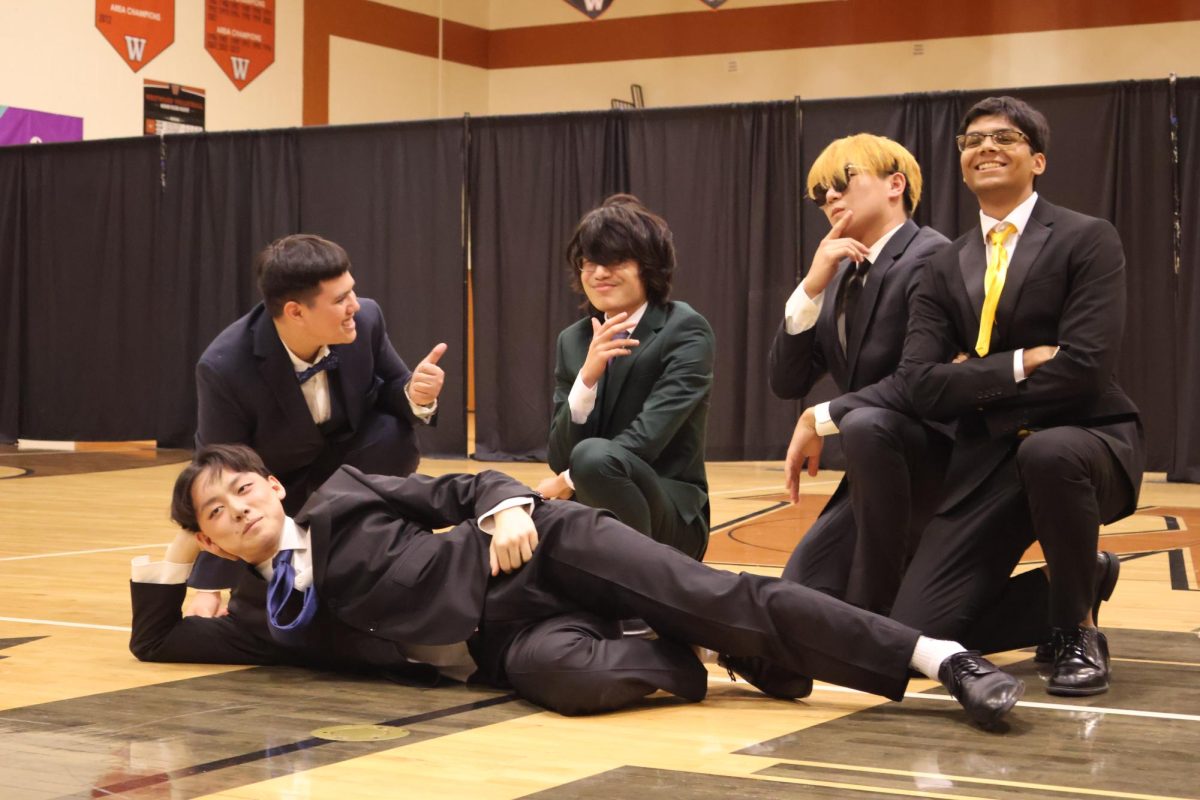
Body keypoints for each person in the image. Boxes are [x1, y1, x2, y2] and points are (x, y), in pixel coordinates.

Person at [129, 444, 1025, 729]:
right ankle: (709, 653)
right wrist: (178, 540)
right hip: (503, 648)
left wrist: (510, 508)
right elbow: (156, 639)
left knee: (724, 593)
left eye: (244, 487)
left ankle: (940, 659)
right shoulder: (256, 613)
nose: (236, 507)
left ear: (275, 487)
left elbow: (460, 488)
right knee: (572, 684)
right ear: (205, 535)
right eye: (214, 511)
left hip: (538, 557)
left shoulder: (345, 495)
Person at [885, 97, 1144, 696]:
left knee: (1048, 453)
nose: (986, 147)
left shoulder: (1087, 238)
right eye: (972, 141)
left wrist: (973, 379)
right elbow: (920, 383)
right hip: (987, 460)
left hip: (1088, 439)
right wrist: (1022, 362)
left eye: (1005, 137)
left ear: (1039, 159)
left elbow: (1085, 368)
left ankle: (1076, 628)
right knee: (914, 633)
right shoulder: (942, 265)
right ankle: (1074, 580)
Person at [187, 234, 447, 611]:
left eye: (352, 292)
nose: (355, 306)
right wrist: (208, 587)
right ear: (295, 312)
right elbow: (216, 470)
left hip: (350, 470)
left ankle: (386, 542)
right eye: (340, 300)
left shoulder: (367, 319)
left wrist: (417, 395)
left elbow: (394, 387)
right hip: (281, 492)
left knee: (393, 434)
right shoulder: (224, 367)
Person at [768, 134, 951, 615]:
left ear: (896, 184)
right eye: (820, 192)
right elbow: (787, 381)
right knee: (798, 597)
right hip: (873, 470)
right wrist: (810, 287)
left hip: (933, 463)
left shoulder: (932, 256)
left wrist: (818, 419)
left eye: (842, 182)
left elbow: (919, 381)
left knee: (896, 616)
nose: (829, 197)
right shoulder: (841, 272)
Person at [536, 195, 714, 560]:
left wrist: (568, 480)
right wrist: (586, 381)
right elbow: (558, 455)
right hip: (593, 512)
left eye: (615, 260)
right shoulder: (574, 341)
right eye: (590, 262)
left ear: (649, 266)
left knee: (591, 457)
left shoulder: (684, 329)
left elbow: (648, 438)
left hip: (670, 520)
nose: (600, 273)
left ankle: (639, 593)